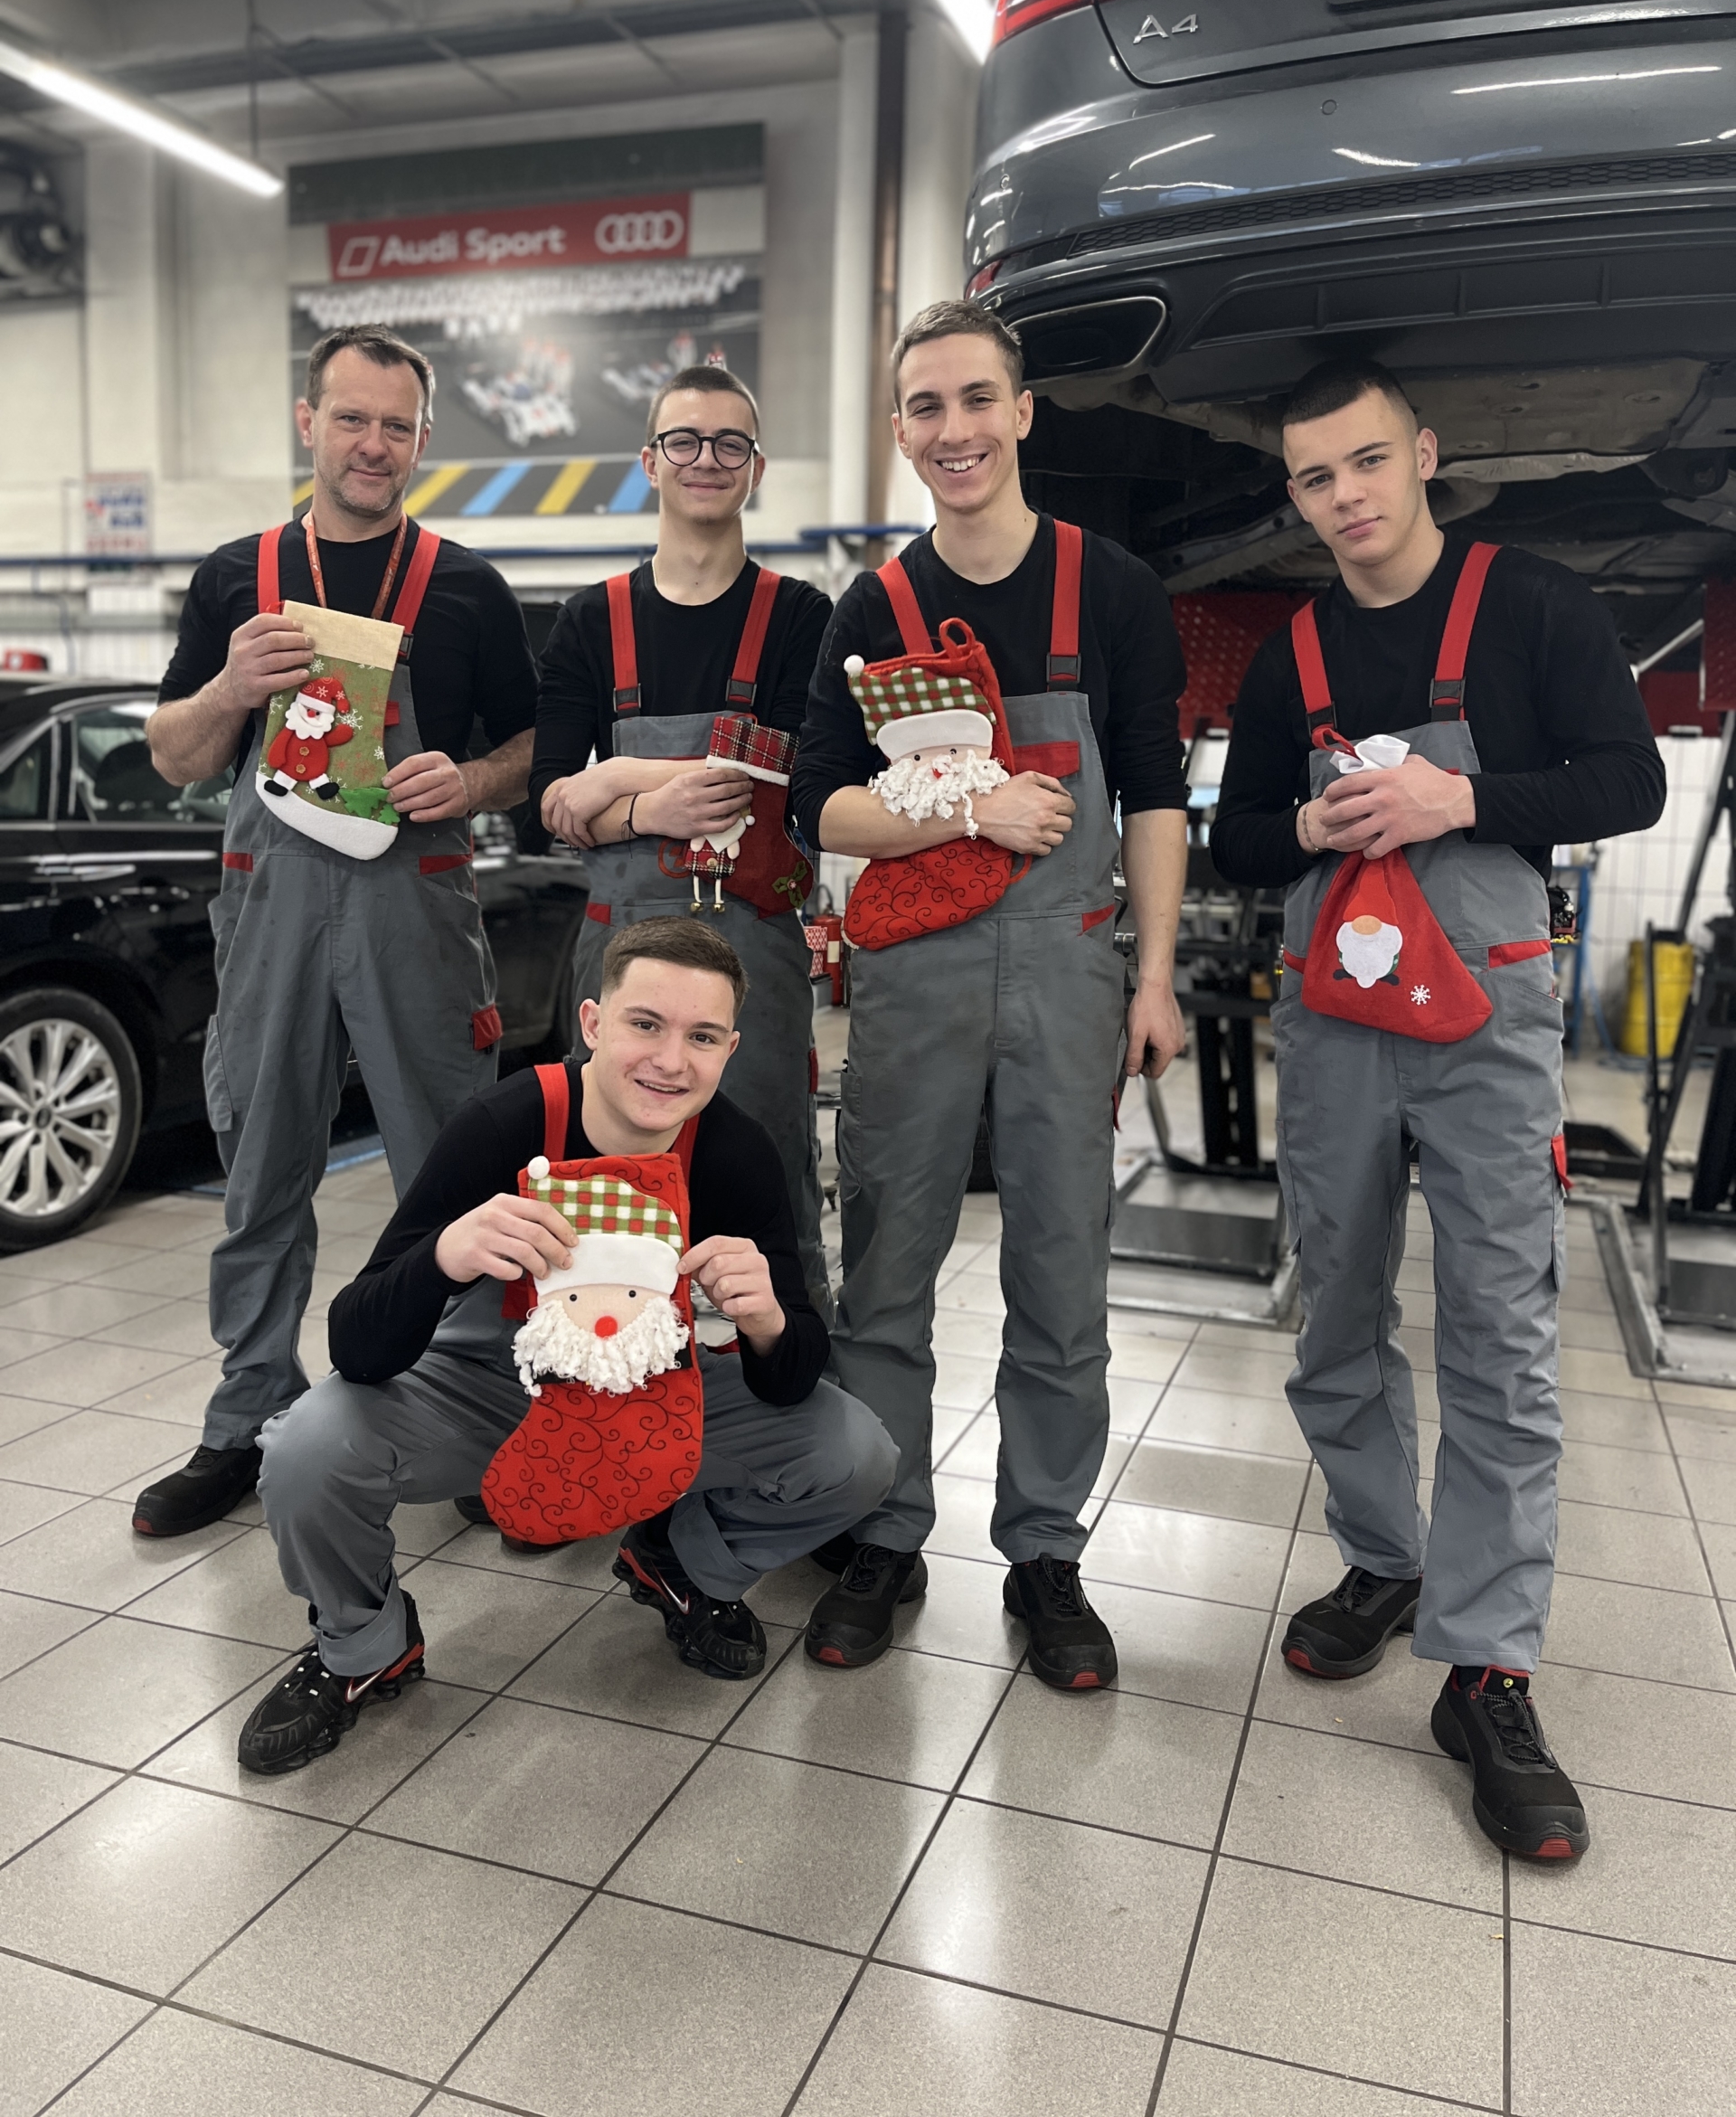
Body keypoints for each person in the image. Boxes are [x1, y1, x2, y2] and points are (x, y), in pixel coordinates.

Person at [1211, 355, 1665, 1862]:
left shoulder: (1530, 606)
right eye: (1314, 477)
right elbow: (1235, 838)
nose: (1343, 496)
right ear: (1296, 496)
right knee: (1335, 1311)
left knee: (1500, 1334)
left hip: (1489, 1025)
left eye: (1365, 461)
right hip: (1337, 1028)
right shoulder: (1292, 652)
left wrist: (1460, 800)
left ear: (1422, 452)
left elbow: (1630, 782)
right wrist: (1306, 820)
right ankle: (1386, 1557)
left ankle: (1487, 1668)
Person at [235, 919, 896, 1775]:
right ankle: (364, 1649)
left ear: (730, 1049)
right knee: (306, 1448)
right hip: (491, 1387)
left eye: (702, 1037)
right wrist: (443, 1255)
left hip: (655, 1389)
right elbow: (356, 1343)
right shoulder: (504, 1123)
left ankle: (680, 1564)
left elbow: (793, 1376)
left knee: (855, 1453)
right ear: (592, 1022)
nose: (670, 1061)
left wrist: (769, 1321)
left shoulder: (735, 1152)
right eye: (645, 1024)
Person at [791, 300, 1190, 1689]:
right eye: (926, 407)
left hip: (1074, 962)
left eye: (976, 400)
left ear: (1021, 413)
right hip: (916, 974)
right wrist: (969, 805)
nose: (953, 429)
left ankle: (1046, 1554)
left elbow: (1154, 795)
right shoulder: (874, 610)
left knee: (1061, 1268)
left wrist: (1154, 974)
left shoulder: (1111, 589)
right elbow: (820, 806)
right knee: (888, 1260)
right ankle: (882, 1531)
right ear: (902, 432)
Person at [132, 324, 539, 1540]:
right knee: (260, 1165)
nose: (373, 444)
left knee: (454, 1168)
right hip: (271, 903)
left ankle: (471, 1412)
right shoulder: (235, 578)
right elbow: (175, 755)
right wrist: (229, 688)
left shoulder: (467, 587)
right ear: (308, 420)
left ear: (423, 438)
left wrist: (469, 782)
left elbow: (532, 748)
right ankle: (246, 1416)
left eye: (396, 425)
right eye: (351, 418)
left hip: (417, 901)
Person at [532, 364, 832, 1309]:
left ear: (756, 468)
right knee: (607, 1171)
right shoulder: (589, 621)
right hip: (618, 944)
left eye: (730, 443)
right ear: (650, 462)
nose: (708, 458)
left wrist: (614, 778)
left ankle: (788, 1370)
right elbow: (549, 801)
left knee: (770, 1167)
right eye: (685, 441)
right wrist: (646, 811)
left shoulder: (801, 617)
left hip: (754, 947)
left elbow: (784, 775)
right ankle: (603, 1362)